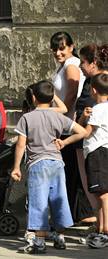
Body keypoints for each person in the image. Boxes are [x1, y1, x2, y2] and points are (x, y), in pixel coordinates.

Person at [11, 80, 86, 254]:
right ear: (52, 98)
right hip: (57, 163)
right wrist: (64, 142)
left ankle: (39, 241)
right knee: (59, 198)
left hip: (38, 164)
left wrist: (16, 167)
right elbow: (82, 131)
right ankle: (60, 236)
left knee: (39, 201)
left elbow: (21, 145)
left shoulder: (27, 118)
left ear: (33, 97)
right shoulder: (58, 116)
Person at [50, 32, 87, 224]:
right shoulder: (65, 65)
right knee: (71, 171)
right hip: (66, 123)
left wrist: (59, 115)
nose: (58, 52)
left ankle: (75, 215)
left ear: (71, 47)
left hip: (69, 124)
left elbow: (72, 93)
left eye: (62, 48)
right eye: (55, 49)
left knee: (71, 171)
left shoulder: (72, 65)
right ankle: (75, 214)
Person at [79, 73, 108, 248]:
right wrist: (83, 117)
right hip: (103, 152)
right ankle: (100, 229)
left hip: (97, 153)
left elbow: (87, 132)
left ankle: (104, 231)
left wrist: (69, 134)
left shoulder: (98, 109)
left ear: (93, 90)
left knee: (103, 194)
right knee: (100, 193)